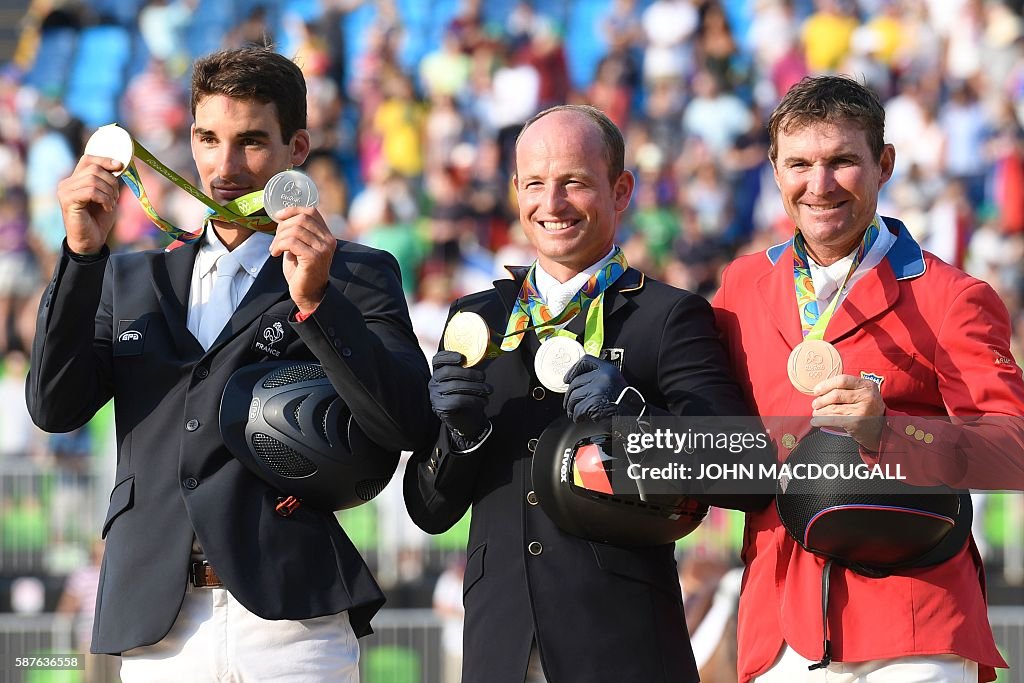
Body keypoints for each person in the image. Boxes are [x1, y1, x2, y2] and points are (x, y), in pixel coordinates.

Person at [27, 46, 433, 682]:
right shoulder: (130, 278)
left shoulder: (354, 273)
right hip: (158, 621)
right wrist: (81, 259)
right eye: (209, 138)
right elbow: (54, 408)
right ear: (190, 140)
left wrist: (319, 302)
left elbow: (411, 423)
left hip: (293, 619)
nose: (225, 167)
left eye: (251, 141)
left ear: (296, 148)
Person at [404, 104, 762, 683]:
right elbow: (429, 510)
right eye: (536, 184)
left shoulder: (667, 317)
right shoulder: (477, 319)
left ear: (621, 191)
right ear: (515, 189)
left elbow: (742, 470)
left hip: (623, 648)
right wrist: (462, 438)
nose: (553, 203)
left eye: (574, 181)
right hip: (500, 650)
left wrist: (634, 418)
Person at [712, 75, 1024, 683]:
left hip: (912, 623)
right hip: (777, 630)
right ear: (775, 171)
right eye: (799, 164)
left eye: (842, 162)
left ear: (884, 165)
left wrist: (891, 433)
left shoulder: (951, 296)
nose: (819, 185)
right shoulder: (740, 288)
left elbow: (1013, 451)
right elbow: (718, 437)